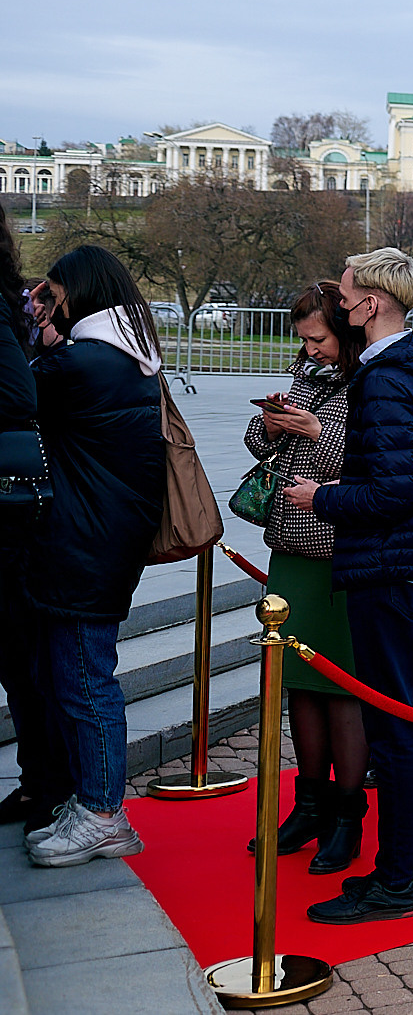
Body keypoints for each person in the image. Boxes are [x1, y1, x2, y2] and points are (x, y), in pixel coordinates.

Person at [292, 247, 413, 921]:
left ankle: (397, 880)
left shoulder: (387, 379)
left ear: (374, 304)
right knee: (411, 721)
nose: (341, 297)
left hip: (389, 564)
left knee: (398, 730)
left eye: (349, 288)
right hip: (409, 559)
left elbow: (392, 489)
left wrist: (322, 498)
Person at [20, 246, 165, 868]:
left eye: (51, 293)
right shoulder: (125, 357)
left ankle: (104, 813)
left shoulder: (84, 363)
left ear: (76, 295)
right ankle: (94, 805)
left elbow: (16, 386)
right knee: (81, 679)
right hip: (102, 539)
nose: (43, 303)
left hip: (85, 546)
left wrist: (35, 331)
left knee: (85, 684)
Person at [242, 285, 371, 871]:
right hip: (289, 547)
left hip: (338, 553)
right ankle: (310, 803)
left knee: (341, 688)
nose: (309, 350)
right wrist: (271, 427)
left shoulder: (368, 379)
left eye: (317, 339)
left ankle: (348, 815)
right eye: (303, 340)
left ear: (343, 335)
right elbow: (258, 449)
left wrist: (317, 431)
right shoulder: (304, 375)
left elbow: (372, 462)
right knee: (297, 682)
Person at [0, 208, 66, 836]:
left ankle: (48, 785)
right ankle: (41, 783)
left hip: (15, 506)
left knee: (24, 656)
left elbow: (16, 396)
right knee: (21, 659)